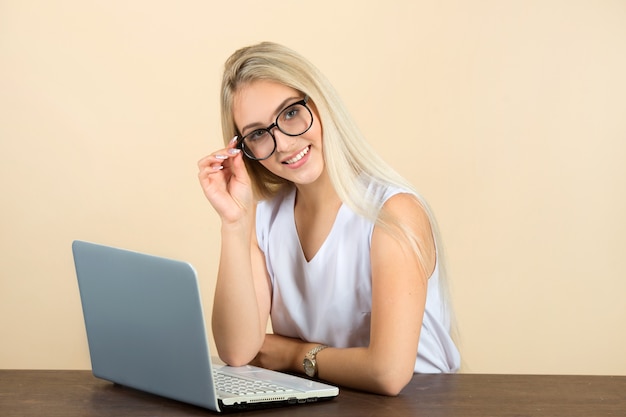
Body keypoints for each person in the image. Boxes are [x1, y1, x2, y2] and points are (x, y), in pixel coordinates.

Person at [197, 42, 460, 396]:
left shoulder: (393, 213)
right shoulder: (265, 219)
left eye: (290, 113)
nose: (284, 144)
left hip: (416, 404)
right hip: (328, 400)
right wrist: (233, 222)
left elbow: (388, 373)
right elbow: (239, 350)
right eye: (258, 134)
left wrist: (292, 354)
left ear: (320, 104)